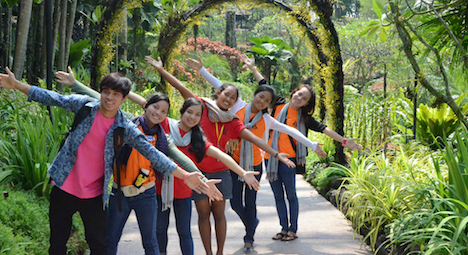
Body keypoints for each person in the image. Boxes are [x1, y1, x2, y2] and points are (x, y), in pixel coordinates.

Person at [0, 68, 211, 255]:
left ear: (124, 99)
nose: (109, 97)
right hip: (64, 186)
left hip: (94, 194)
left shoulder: (126, 127)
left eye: (116, 94)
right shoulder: (86, 107)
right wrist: (16, 85)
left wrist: (186, 175)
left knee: (100, 245)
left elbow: (154, 154)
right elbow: (53, 98)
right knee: (57, 243)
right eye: (106, 91)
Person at [55, 68, 222, 255]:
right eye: (155, 107)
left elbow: (181, 159)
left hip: (146, 195)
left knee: (150, 243)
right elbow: (103, 100)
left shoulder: (163, 138)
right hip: (120, 194)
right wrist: (75, 84)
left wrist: (204, 181)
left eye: (164, 111)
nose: (158, 113)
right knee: (109, 240)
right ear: (146, 106)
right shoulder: (128, 123)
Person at [145, 56, 296, 255]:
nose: (228, 99)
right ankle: (208, 252)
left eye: (233, 98)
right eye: (226, 95)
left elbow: (254, 139)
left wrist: (276, 154)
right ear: (219, 93)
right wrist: (162, 70)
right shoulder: (202, 108)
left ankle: (219, 253)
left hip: (222, 172)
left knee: (219, 214)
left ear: (234, 102)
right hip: (198, 171)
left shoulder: (233, 122)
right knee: (203, 214)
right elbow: (181, 88)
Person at [185, 56, 327, 253]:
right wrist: (201, 70)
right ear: (255, 95)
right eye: (261, 97)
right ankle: (252, 223)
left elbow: (291, 130)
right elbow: (221, 87)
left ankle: (249, 238)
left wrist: (310, 144)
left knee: (250, 203)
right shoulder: (238, 106)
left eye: (267, 101)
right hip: (233, 163)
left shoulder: (267, 119)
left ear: (269, 104)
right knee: (234, 202)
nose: (262, 101)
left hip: (255, 165)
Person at [245, 56, 362, 242]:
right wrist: (253, 68)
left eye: (304, 98)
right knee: (278, 196)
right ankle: (283, 228)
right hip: (271, 157)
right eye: (299, 94)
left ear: (307, 103)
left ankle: (293, 229)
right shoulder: (278, 104)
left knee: (290, 195)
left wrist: (344, 141)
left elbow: (325, 129)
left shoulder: (304, 118)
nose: (299, 98)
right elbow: (264, 84)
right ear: (294, 92)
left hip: (289, 161)